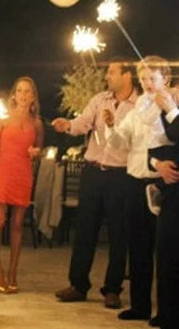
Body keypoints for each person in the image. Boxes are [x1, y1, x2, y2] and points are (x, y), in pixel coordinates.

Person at [52, 59, 138, 309]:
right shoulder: (100, 99)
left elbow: (134, 139)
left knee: (118, 233)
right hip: (93, 172)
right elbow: (84, 122)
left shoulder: (138, 105)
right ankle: (78, 285)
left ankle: (112, 289)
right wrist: (68, 125)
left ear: (127, 75)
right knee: (85, 230)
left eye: (112, 72)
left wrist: (114, 124)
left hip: (120, 175)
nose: (107, 76)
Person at [105, 56, 177, 322]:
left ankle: (165, 310)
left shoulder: (169, 107)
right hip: (135, 180)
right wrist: (112, 125)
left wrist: (158, 162)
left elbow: (169, 143)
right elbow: (121, 142)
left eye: (152, 78)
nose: (147, 83)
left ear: (165, 80)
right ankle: (140, 305)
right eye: (143, 78)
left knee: (164, 250)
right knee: (138, 246)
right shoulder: (136, 110)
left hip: (160, 182)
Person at [0, 76, 43, 293]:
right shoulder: (2, 120)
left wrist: (36, 152)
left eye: (27, 91)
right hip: (3, 172)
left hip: (23, 174)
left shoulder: (36, 124)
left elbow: (39, 149)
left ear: (33, 96)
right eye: (19, 91)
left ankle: (13, 272)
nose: (23, 95)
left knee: (18, 225)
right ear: (14, 95)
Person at [149, 84, 179, 329]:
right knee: (166, 253)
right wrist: (157, 163)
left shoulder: (172, 113)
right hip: (171, 195)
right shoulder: (166, 114)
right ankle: (166, 313)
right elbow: (152, 148)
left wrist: (172, 111)